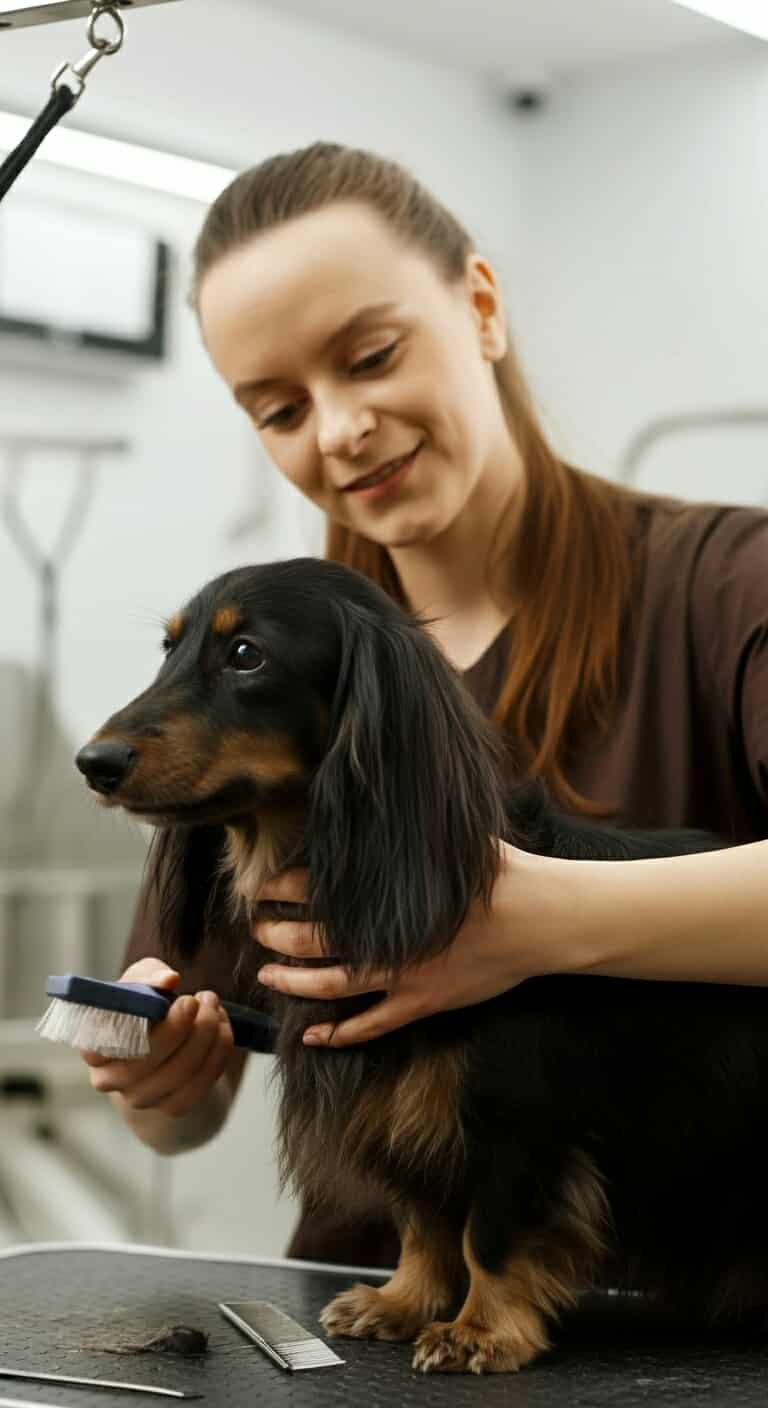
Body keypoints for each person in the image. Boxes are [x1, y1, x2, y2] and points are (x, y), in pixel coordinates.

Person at [82, 142, 768, 1268]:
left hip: (675, 1312)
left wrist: (539, 923)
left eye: (372, 356)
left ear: (481, 307)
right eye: (278, 408)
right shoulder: (263, 683)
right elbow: (177, 1117)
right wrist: (157, 1082)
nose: (339, 428)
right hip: (369, 1312)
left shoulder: (729, 586)